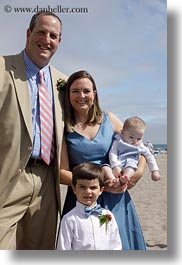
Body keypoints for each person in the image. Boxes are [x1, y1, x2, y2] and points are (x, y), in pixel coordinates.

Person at [0, 11, 67, 250]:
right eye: (41, 32)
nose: (46, 40)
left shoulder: (64, 83)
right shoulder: (2, 67)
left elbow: (91, 120)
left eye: (53, 35)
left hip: (48, 183)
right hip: (7, 178)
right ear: (28, 33)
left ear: (59, 41)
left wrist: (137, 154)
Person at [59, 70, 147, 250]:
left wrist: (138, 173)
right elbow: (61, 173)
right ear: (68, 94)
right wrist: (98, 186)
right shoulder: (63, 126)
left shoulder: (110, 119)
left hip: (116, 197)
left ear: (94, 94)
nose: (81, 96)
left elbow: (138, 147)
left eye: (86, 91)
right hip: (83, 196)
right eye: (75, 91)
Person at [57, 162, 122, 250]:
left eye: (93, 188)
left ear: (101, 190)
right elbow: (63, 248)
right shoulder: (69, 219)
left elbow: (115, 245)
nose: (88, 192)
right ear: (74, 189)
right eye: (82, 187)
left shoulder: (108, 216)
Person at [109, 116, 161, 184]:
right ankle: (114, 180)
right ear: (122, 133)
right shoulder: (118, 141)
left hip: (129, 162)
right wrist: (115, 166)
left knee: (131, 167)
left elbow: (150, 156)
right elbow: (113, 153)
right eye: (131, 137)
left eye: (139, 138)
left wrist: (154, 171)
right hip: (116, 162)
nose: (135, 140)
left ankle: (125, 177)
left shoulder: (140, 146)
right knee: (106, 168)